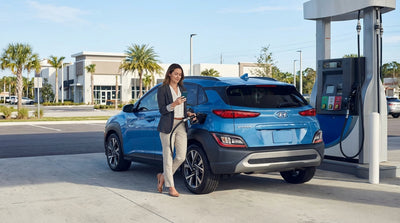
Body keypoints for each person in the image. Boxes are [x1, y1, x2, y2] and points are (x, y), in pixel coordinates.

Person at [156, 63, 196, 197]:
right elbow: (162, 110)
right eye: (176, 74)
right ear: (169, 74)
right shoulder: (163, 90)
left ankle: (163, 176)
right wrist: (174, 104)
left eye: (180, 74)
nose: (178, 76)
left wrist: (188, 113)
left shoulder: (183, 89)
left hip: (181, 124)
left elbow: (184, 107)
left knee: (181, 156)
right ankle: (170, 187)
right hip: (167, 125)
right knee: (167, 157)